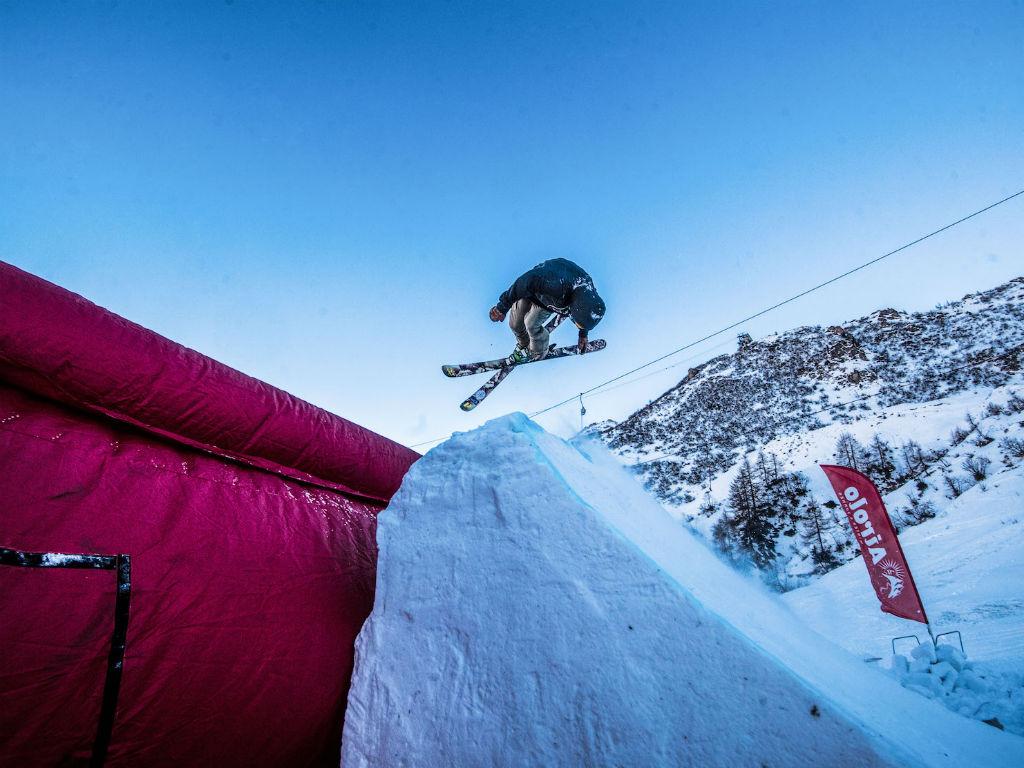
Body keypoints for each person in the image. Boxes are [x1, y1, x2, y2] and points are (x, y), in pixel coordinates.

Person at [489, 258, 606, 363]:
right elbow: (525, 282)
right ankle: (524, 344)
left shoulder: (589, 297)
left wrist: (583, 334)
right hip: (534, 289)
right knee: (514, 324)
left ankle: (538, 351)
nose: (577, 325)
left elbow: (588, 313)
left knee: (531, 324)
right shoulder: (554, 284)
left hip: (547, 302)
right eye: (577, 324)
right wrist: (502, 307)